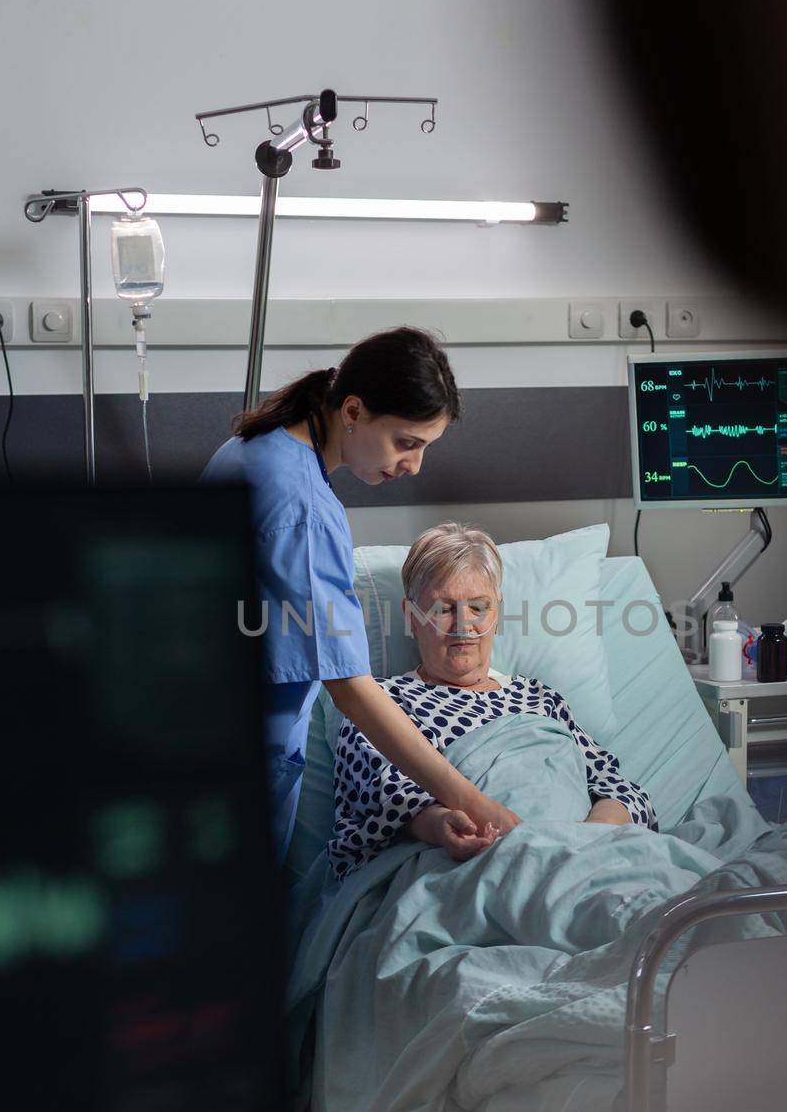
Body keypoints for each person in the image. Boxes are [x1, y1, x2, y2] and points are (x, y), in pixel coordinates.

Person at [202, 329, 519, 862]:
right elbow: (349, 686)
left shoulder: (258, 447)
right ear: (353, 410)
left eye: (424, 447)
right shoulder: (302, 507)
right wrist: (473, 801)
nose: (414, 465)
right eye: (406, 442)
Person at [329, 522, 656, 878]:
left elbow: (619, 789)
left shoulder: (540, 698)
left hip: (588, 858)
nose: (463, 626)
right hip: (476, 864)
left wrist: (587, 843)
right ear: (412, 617)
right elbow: (384, 800)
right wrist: (440, 825)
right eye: (444, 609)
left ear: (497, 611)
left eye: (478, 608)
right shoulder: (382, 703)